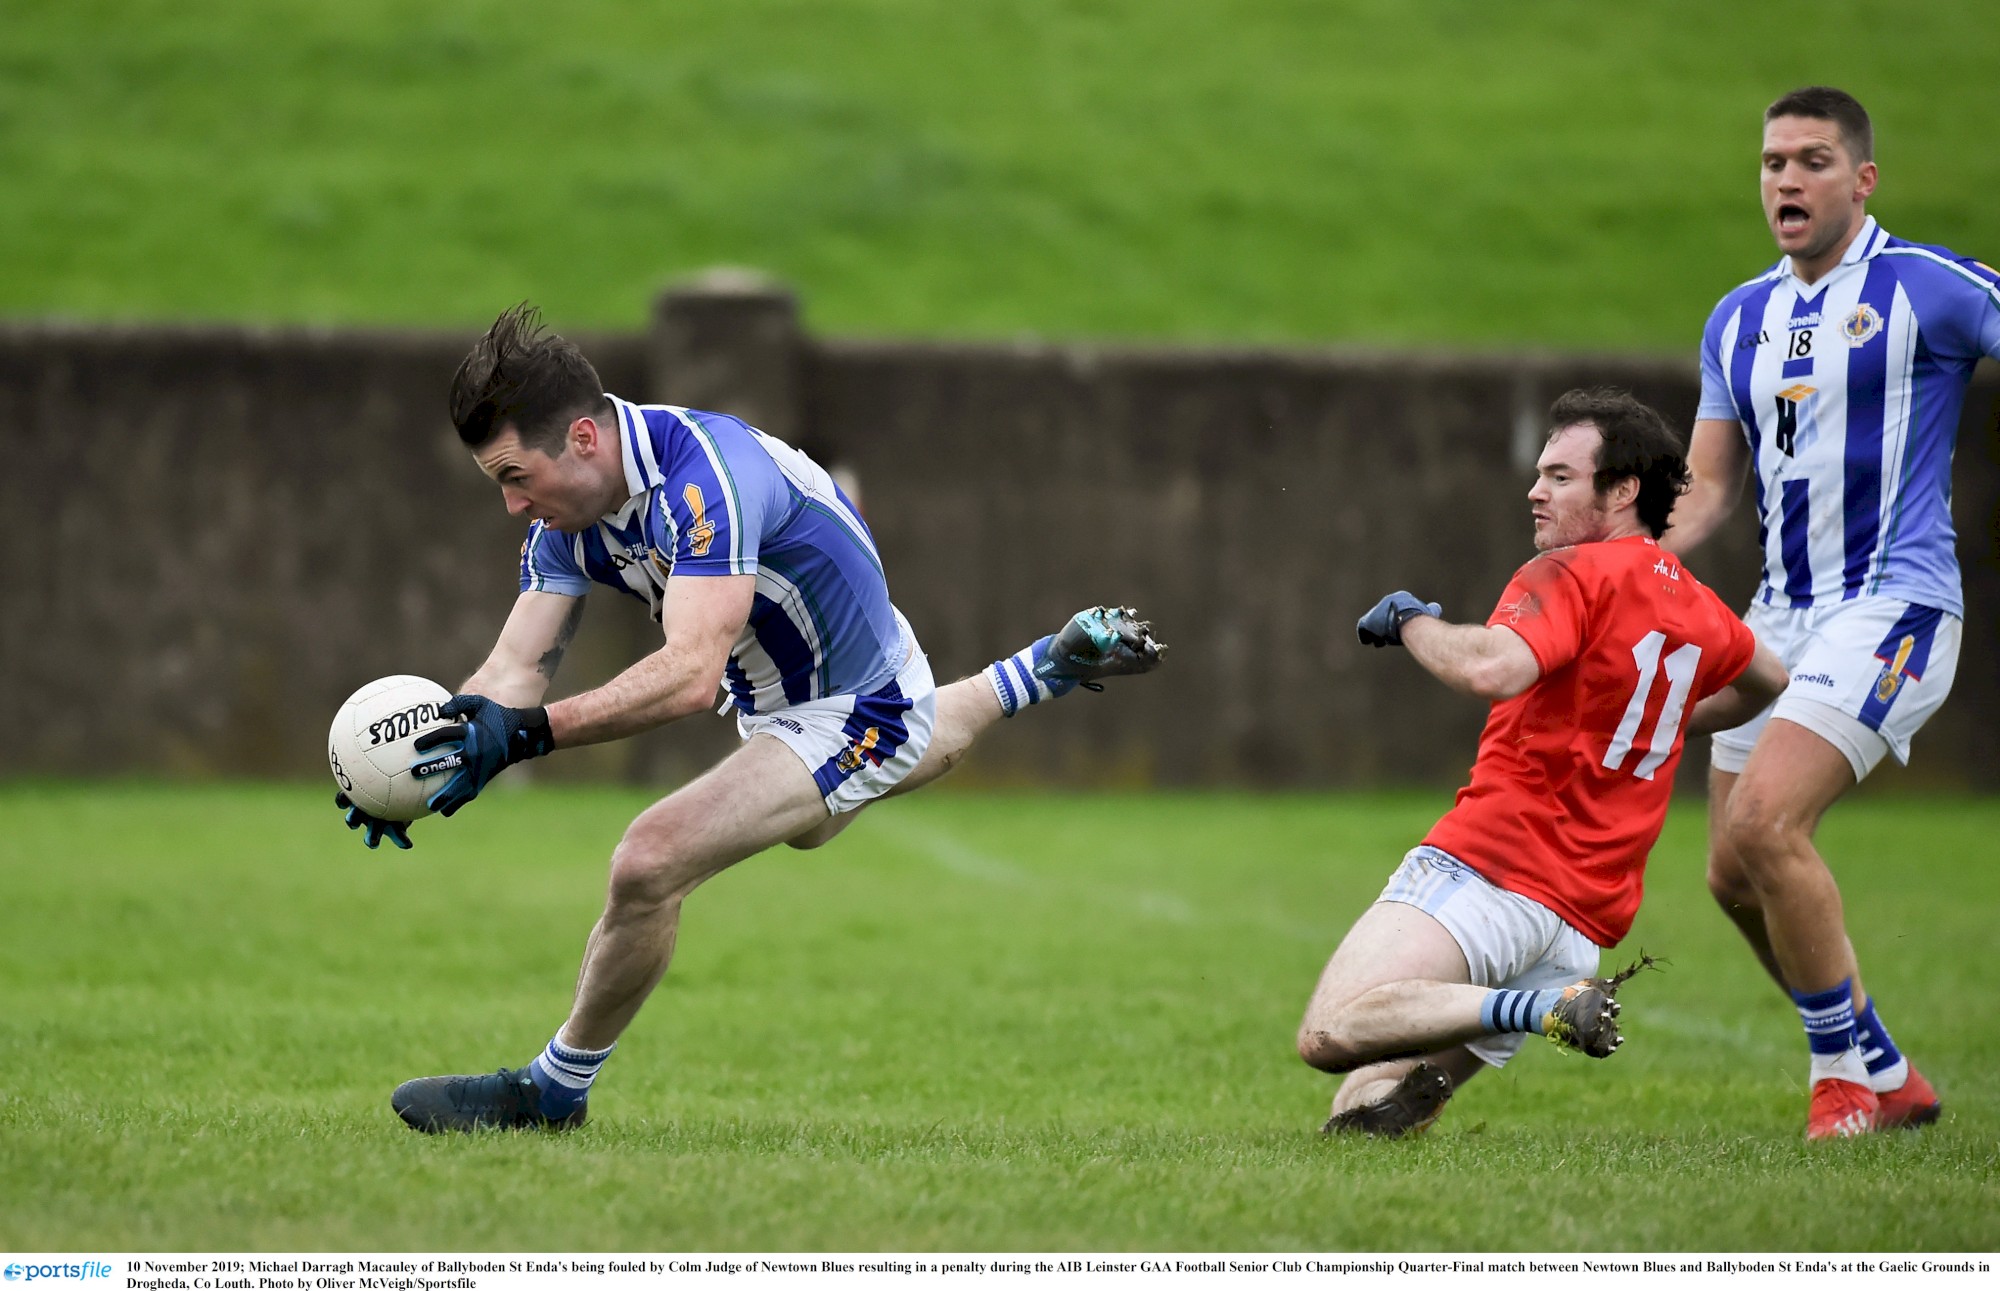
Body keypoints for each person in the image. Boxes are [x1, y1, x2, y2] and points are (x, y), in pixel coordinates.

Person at [335, 304, 1165, 1133]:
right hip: (781, 697)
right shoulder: (569, 520)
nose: (513, 506)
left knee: (648, 860)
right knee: (815, 825)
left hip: (855, 699)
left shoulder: (705, 478)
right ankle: (1039, 670)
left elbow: (691, 673)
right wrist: (427, 752)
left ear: (584, 439)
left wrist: (528, 736)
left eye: (515, 477)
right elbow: (512, 671)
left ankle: (553, 1089)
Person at [1296, 388, 1788, 1137]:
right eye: (1539, 473)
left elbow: (1494, 669)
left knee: (1329, 1029)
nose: (1535, 490)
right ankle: (1518, 1017)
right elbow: (1770, 680)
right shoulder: (1700, 606)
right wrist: (1669, 724)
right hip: (1580, 926)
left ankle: (1539, 1008)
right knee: (1364, 1104)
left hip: (1494, 867)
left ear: (1623, 491)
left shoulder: (1570, 571)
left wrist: (1411, 620)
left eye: (1560, 475)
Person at [1663, 86, 2000, 1138]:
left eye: (1810, 162)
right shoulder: (1738, 316)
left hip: (1891, 605)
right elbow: (1709, 487)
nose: (1784, 182)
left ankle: (1837, 1087)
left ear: (1860, 181)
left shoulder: (1927, 287)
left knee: (1768, 821)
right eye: (1770, 163)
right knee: (1726, 873)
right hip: (1777, 616)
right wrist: (1615, 568)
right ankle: (1887, 1070)